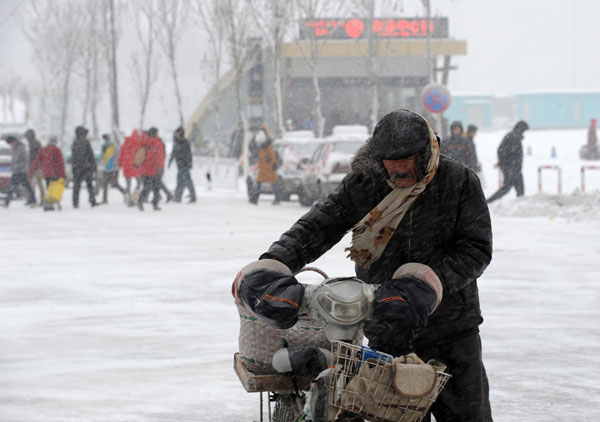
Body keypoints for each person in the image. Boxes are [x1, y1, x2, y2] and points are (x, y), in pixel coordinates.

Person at [233, 109, 494, 421]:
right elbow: (319, 226)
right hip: (387, 329)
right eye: (389, 159)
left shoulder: (458, 181)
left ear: (425, 153)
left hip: (452, 332)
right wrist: (273, 263)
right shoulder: (366, 182)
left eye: (406, 159)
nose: (397, 167)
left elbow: (475, 248)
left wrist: (429, 282)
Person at [486, 120, 529, 203]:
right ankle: (488, 201)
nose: (524, 132)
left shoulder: (512, 136)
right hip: (512, 167)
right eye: (524, 130)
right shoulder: (513, 137)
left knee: (518, 187)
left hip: (514, 167)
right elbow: (503, 151)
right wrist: (506, 164)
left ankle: (521, 203)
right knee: (508, 187)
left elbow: (501, 150)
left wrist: (502, 163)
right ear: (521, 129)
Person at [28, 136, 66, 211]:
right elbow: (60, 163)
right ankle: (50, 204)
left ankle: (48, 204)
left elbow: (37, 161)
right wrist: (62, 174)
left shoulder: (43, 150)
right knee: (53, 189)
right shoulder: (56, 150)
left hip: (46, 173)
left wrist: (31, 171)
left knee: (49, 188)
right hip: (55, 173)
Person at [249, 127, 280, 205]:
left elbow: (273, 158)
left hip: (269, 169)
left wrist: (270, 165)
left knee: (269, 184)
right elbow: (252, 148)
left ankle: (276, 199)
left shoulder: (268, 148)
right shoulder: (262, 148)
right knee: (265, 184)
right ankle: (256, 198)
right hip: (264, 169)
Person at [3, 136, 36, 207]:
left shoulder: (21, 148)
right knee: (17, 186)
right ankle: (7, 202)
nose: (10, 145)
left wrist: (18, 167)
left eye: (11, 143)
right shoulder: (14, 149)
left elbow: (25, 160)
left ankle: (7, 202)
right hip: (16, 171)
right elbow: (14, 160)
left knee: (24, 186)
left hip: (21, 171)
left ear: (14, 141)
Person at [71, 126, 98, 208]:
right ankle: (92, 200)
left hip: (77, 168)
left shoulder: (75, 142)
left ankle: (75, 202)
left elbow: (73, 156)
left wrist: (74, 166)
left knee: (76, 186)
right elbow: (91, 155)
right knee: (89, 185)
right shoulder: (86, 142)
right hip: (86, 167)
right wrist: (94, 167)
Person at [137, 131, 165, 211]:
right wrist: (160, 167)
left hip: (145, 169)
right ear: (155, 134)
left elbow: (140, 155)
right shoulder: (157, 143)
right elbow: (159, 156)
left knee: (146, 187)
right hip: (154, 169)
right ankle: (155, 204)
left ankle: (140, 201)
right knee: (156, 188)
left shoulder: (144, 143)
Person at [168, 127, 196, 203]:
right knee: (183, 181)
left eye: (177, 133)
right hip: (182, 165)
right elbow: (174, 153)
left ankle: (182, 196)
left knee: (185, 181)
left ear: (180, 134)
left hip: (184, 164)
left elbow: (187, 154)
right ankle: (179, 196)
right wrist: (170, 161)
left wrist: (189, 163)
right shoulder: (178, 142)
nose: (175, 134)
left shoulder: (183, 142)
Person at [148, 127, 173, 203]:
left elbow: (156, 154)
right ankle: (161, 195)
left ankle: (164, 195)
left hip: (157, 165)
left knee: (156, 182)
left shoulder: (156, 142)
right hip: (159, 165)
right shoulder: (159, 142)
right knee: (156, 182)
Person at [100, 133, 126, 204]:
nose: (105, 140)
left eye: (106, 138)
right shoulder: (104, 146)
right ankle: (105, 198)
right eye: (104, 138)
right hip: (107, 168)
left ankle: (126, 193)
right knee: (106, 183)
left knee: (114, 184)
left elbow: (117, 157)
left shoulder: (113, 146)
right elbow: (103, 157)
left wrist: (114, 165)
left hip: (113, 168)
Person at [118, 130, 142, 201]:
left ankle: (127, 197)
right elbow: (141, 155)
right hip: (135, 165)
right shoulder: (138, 143)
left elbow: (121, 155)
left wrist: (120, 164)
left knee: (128, 183)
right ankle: (135, 196)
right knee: (139, 182)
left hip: (126, 166)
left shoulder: (125, 143)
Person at [24, 128, 44, 204]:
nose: (26, 138)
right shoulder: (31, 143)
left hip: (37, 166)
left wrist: (36, 164)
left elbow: (40, 155)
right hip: (32, 165)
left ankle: (39, 199)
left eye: (27, 136)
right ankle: (32, 198)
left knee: (38, 183)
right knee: (31, 183)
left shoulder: (35, 143)